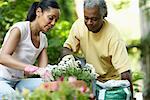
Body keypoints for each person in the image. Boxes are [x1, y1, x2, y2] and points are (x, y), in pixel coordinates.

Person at [62, 0, 134, 98]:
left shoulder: (113, 37)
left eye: (94, 19)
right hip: (91, 79)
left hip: (111, 86)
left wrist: (131, 96)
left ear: (103, 15)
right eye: (86, 18)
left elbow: (125, 72)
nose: (89, 22)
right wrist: (69, 60)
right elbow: (67, 48)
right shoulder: (79, 26)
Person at [0, 0, 60, 98]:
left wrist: (56, 73)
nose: (53, 23)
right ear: (39, 12)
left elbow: (43, 70)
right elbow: (2, 57)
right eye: (50, 18)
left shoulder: (43, 39)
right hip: (2, 79)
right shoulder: (20, 29)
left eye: (56, 20)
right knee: (15, 97)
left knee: (52, 86)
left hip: (19, 82)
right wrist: (31, 68)